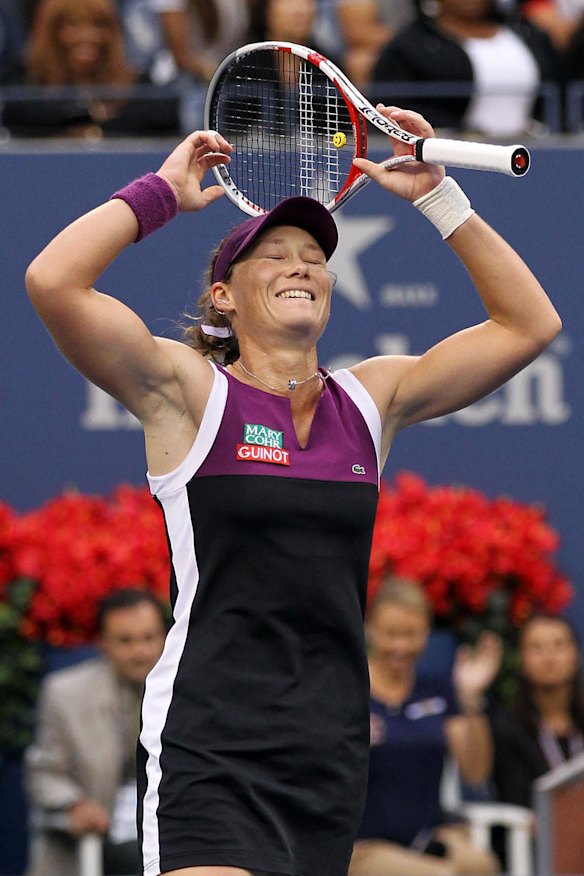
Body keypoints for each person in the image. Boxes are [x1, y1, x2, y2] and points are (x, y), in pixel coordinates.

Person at [25, 101, 561, 876]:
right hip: (210, 746)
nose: (301, 266)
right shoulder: (189, 393)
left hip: (326, 755)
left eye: (313, 256)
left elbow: (529, 326)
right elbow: (52, 282)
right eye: (274, 255)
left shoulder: (371, 400)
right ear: (224, 295)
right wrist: (159, 196)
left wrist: (441, 200)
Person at [349, 578, 502, 876]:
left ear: (427, 632)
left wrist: (470, 700)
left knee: (482, 866)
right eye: (391, 634)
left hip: (427, 840)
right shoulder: (350, 690)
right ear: (370, 629)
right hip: (361, 846)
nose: (401, 646)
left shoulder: (435, 691)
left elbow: (476, 771)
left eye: (411, 634)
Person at [25, 587, 168, 876]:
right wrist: (74, 804)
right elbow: (44, 773)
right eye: (125, 641)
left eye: (149, 638)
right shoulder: (65, 694)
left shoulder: (190, 693)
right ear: (103, 643)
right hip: (95, 842)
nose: (139, 652)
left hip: (172, 837)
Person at [370, 0, 561, 136]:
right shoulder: (410, 45)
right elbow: (392, 105)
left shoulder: (528, 34)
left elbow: (558, 91)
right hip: (451, 157)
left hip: (530, 153)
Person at [1, 0, 180, 139]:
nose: (86, 36)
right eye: (72, 26)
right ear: (52, 32)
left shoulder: (138, 86)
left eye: (98, 25)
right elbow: (19, 118)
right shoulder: (27, 85)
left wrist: (99, 129)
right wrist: (85, 119)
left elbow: (163, 119)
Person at [490, 614, 584, 810]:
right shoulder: (507, 728)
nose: (549, 657)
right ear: (521, 659)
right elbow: (514, 800)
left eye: (559, 645)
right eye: (536, 648)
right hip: (534, 826)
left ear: (576, 655)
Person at [335, 0, 417, 85]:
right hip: (386, 48)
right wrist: (408, 40)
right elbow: (358, 34)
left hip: (419, 41)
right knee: (359, 62)